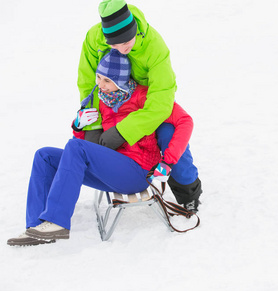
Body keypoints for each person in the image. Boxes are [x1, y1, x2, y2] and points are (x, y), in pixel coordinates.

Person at [7, 49, 163, 246]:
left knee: (76, 147)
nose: (101, 85)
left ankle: (57, 221)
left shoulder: (142, 97)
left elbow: (179, 120)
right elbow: (90, 147)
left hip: (137, 171)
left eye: (107, 81)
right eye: (98, 77)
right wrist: (80, 126)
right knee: (44, 155)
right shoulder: (102, 100)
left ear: (122, 80)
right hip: (111, 170)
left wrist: (172, 163)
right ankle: (36, 227)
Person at [78, 0, 202, 211]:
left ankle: (187, 190)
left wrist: (123, 131)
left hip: (148, 104)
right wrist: (93, 125)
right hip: (116, 103)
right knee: (112, 146)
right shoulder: (94, 38)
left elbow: (161, 99)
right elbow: (89, 83)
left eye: (125, 42)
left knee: (168, 135)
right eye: (113, 44)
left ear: (134, 28)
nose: (120, 49)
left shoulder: (154, 46)